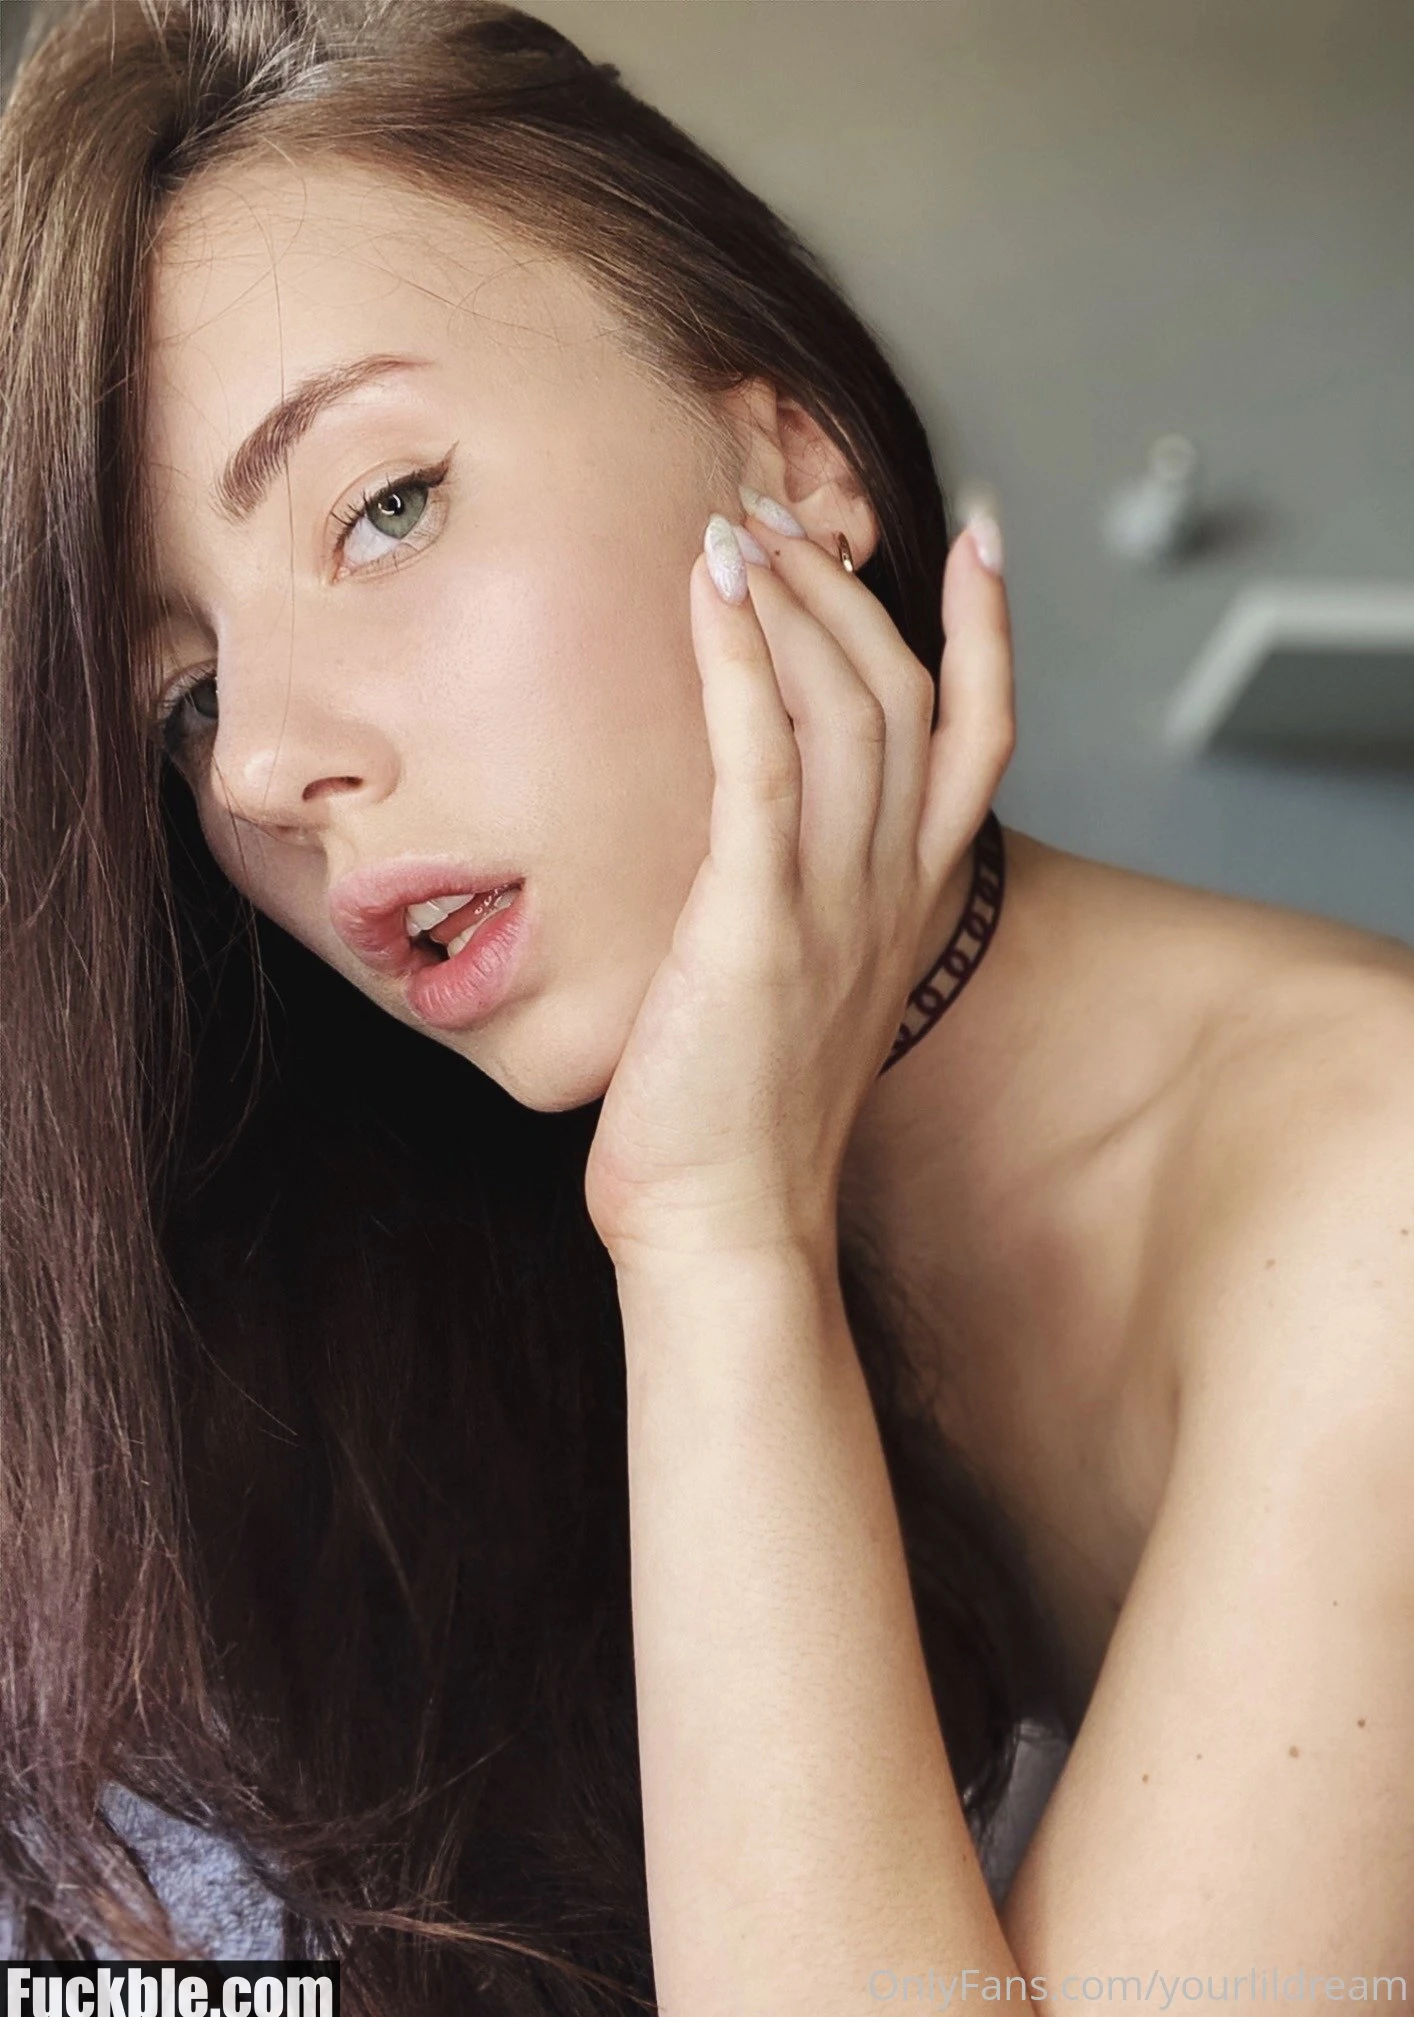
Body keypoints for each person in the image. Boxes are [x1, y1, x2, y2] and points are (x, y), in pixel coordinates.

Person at [1, 0, 1410, 2007]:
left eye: (385, 509)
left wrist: (718, 1242)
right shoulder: (402, 1296)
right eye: (190, 692)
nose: (264, 766)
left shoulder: (1370, 1222)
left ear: (793, 464)